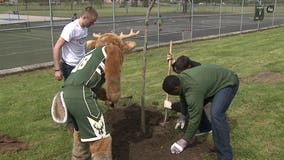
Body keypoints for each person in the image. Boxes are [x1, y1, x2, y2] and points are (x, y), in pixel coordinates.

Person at [162, 64, 239, 160]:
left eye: (173, 93)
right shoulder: (181, 79)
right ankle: (206, 128)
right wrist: (183, 115)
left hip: (227, 82)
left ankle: (225, 156)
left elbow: (195, 118)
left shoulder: (193, 91)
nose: (174, 95)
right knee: (198, 106)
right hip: (213, 82)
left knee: (216, 115)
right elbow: (182, 97)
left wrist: (184, 140)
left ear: (177, 88)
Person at [165, 55, 212, 136]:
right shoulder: (189, 69)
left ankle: (208, 127)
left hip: (210, 93)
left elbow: (190, 103)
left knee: (202, 109)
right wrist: (173, 63)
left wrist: (172, 106)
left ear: (188, 67)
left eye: (180, 71)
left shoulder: (196, 76)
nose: (179, 74)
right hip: (202, 91)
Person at [53, 6, 98, 81]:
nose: (92, 24)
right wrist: (57, 70)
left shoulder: (85, 28)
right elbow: (56, 47)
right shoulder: (71, 29)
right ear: (84, 17)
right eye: (91, 22)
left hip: (81, 63)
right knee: (72, 91)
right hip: (69, 66)